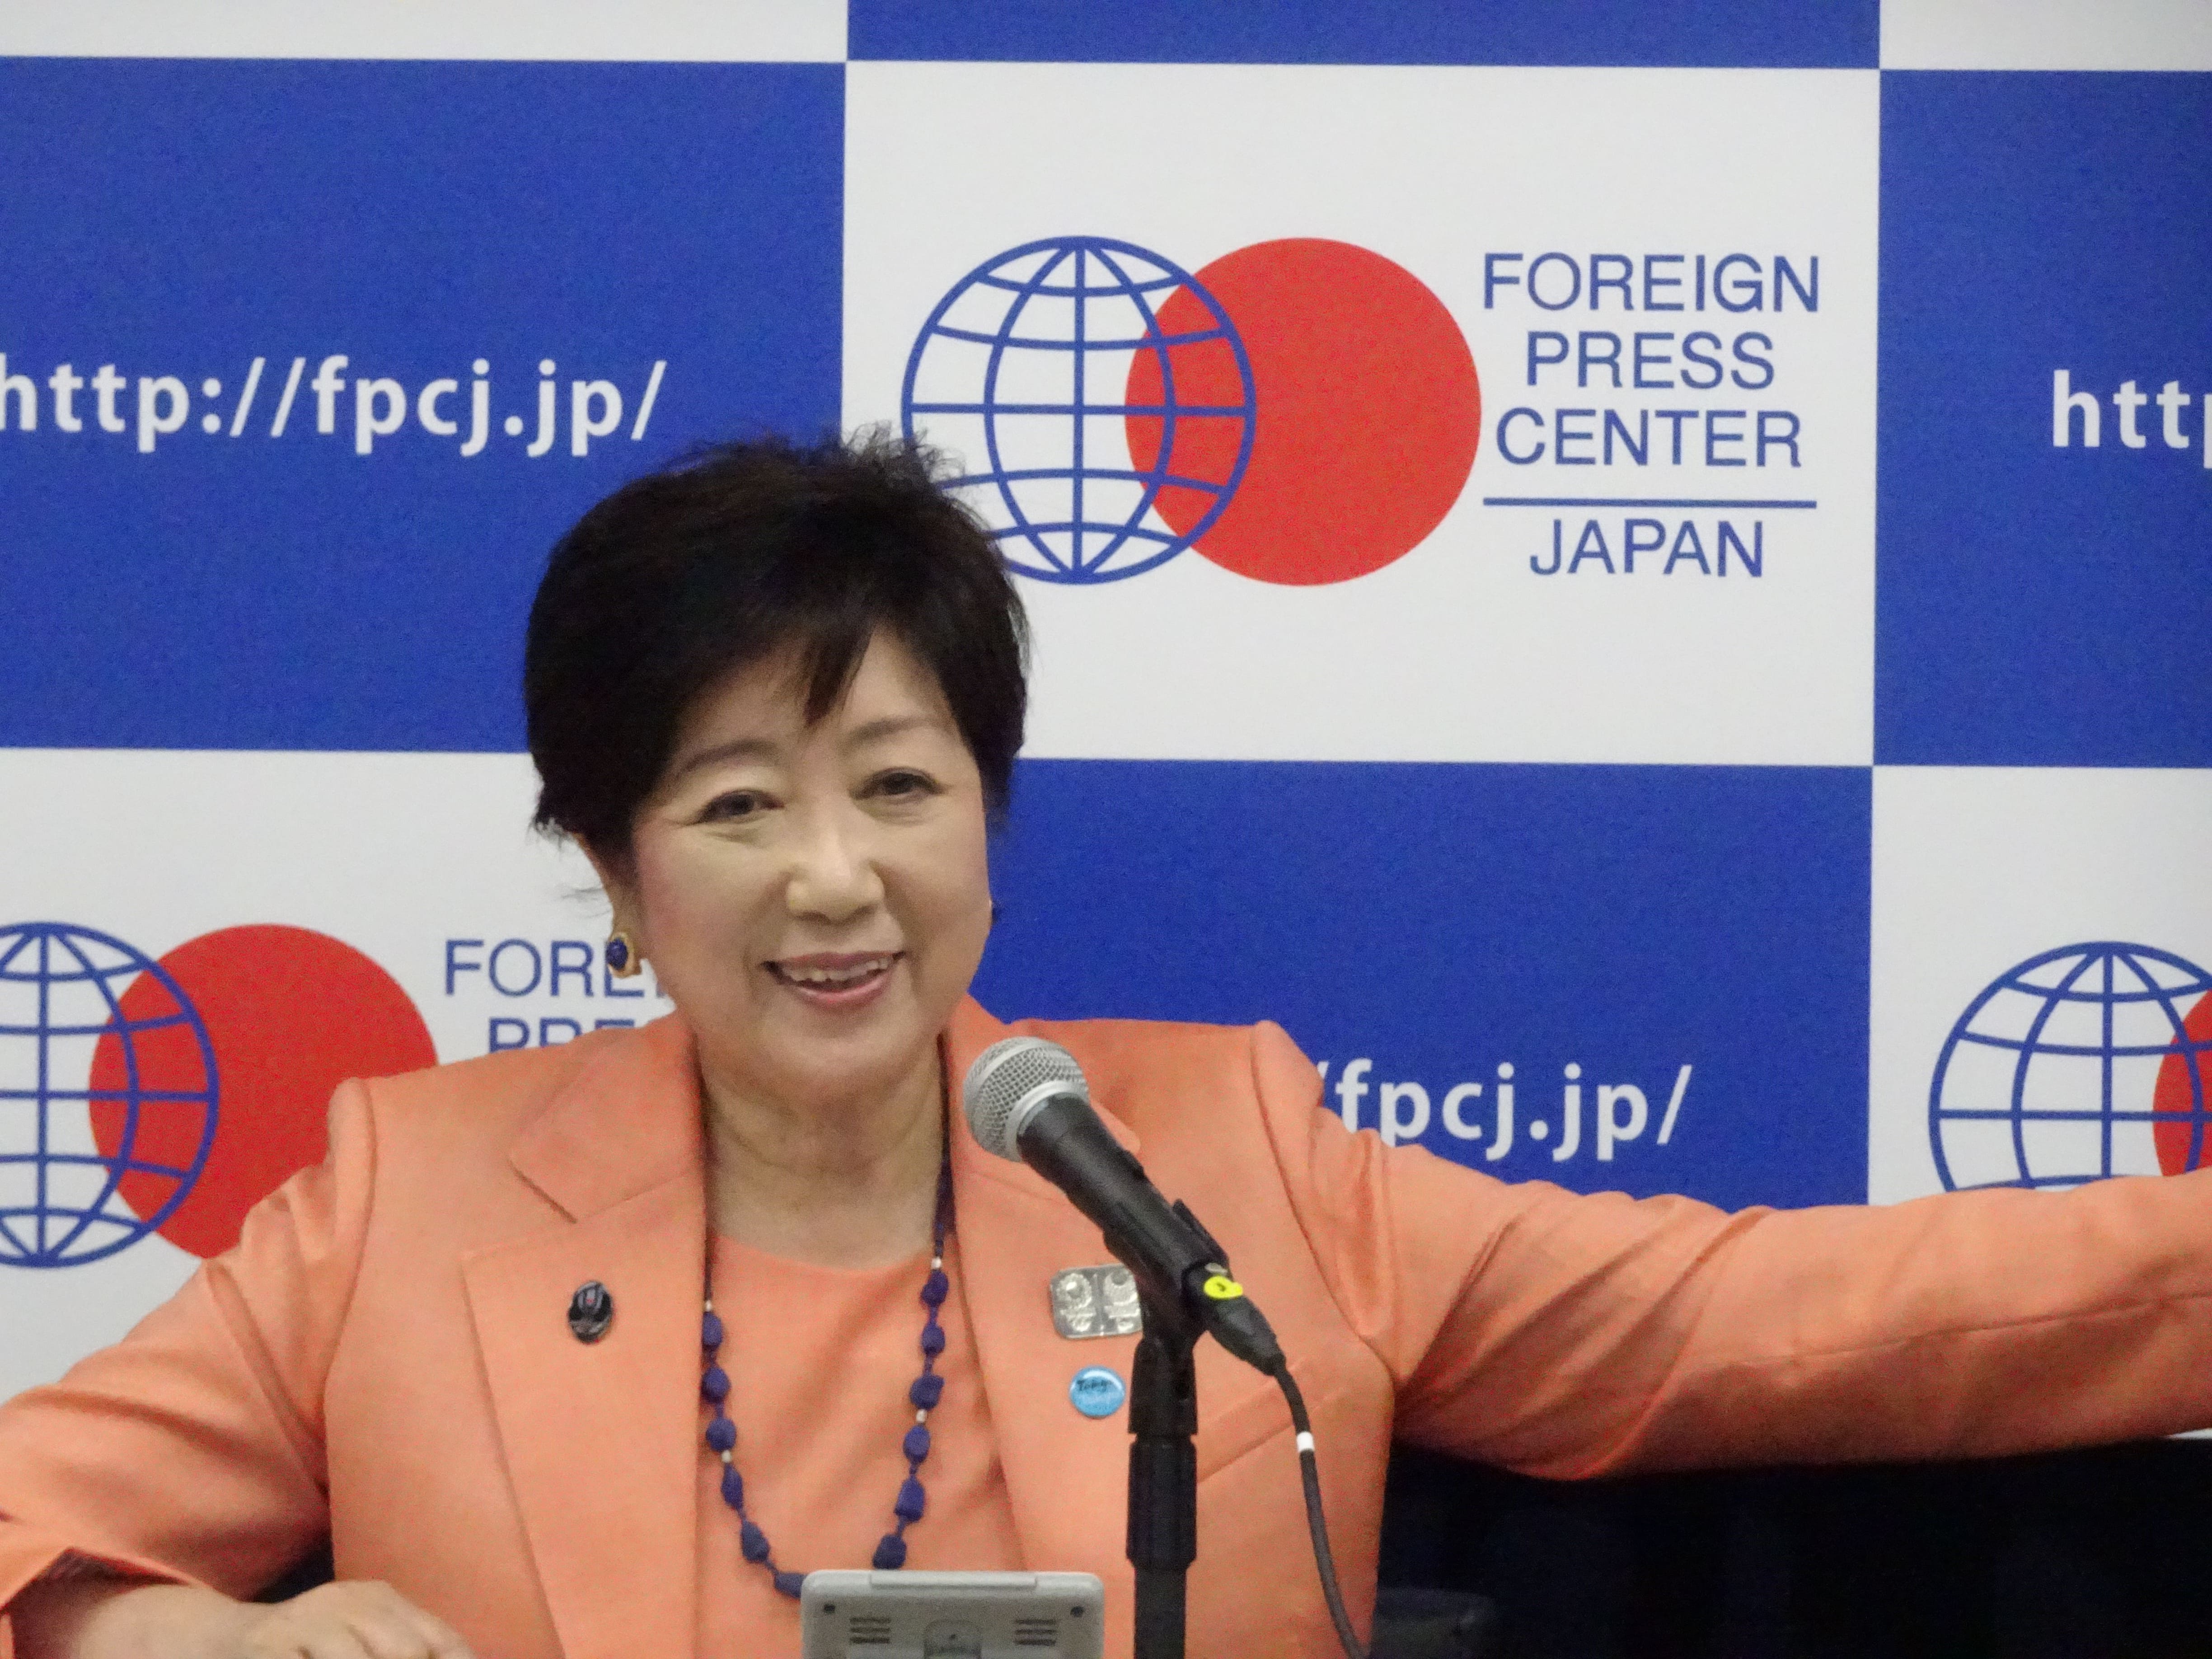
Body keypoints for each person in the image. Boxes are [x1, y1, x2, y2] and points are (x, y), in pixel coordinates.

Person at [5, 432, 2212, 1659]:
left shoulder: (1215, 1152)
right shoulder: (408, 1192)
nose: (832, 881)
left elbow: (1765, 1324)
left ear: (988, 818)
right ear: (610, 865)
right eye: (734, 804)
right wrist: (159, 1643)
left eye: (896, 784)